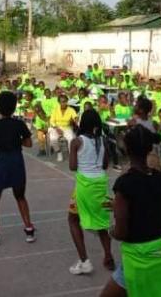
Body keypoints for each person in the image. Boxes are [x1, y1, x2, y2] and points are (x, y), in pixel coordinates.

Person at [100, 126, 161, 297]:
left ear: (126, 150)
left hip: (138, 259)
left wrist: (110, 230)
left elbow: (121, 232)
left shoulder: (125, 184)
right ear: (150, 149)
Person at [0, 91, 36, 247]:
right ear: (14, 107)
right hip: (17, 161)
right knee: (20, 196)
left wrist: (1, 145)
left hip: (2, 162)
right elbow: (28, 144)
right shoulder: (19, 124)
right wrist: (15, 142)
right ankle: (29, 230)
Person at [68, 109, 114, 276]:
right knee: (102, 222)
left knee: (72, 219)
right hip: (100, 183)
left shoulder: (77, 142)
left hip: (84, 185)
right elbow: (104, 165)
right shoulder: (103, 140)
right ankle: (108, 256)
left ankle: (84, 261)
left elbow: (72, 167)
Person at [49, 94, 78, 162]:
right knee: (53, 139)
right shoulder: (55, 109)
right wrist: (57, 128)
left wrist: (76, 119)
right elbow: (51, 121)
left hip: (67, 127)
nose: (64, 103)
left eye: (65, 101)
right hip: (56, 127)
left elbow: (75, 117)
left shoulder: (71, 109)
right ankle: (59, 152)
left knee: (71, 138)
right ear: (59, 102)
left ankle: (72, 155)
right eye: (62, 102)